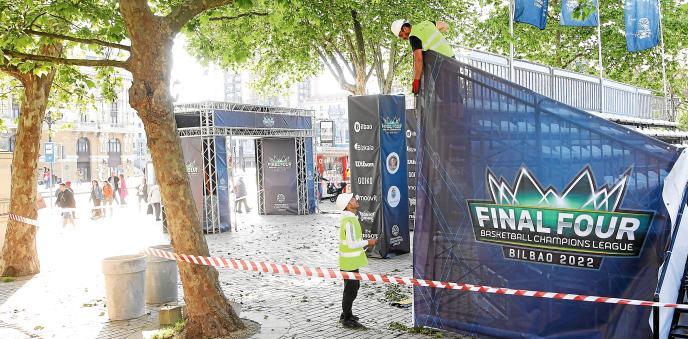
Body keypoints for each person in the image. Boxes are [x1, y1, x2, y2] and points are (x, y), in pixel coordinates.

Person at [335, 193, 377, 329]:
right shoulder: (349, 222)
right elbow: (352, 244)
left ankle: (347, 313)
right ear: (348, 206)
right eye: (352, 200)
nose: (356, 200)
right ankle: (346, 318)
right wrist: (368, 242)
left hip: (350, 262)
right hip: (349, 263)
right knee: (351, 290)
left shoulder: (351, 218)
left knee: (353, 288)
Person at [390, 19, 455, 94]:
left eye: (401, 35)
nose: (402, 38)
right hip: (452, 59)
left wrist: (416, 80)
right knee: (454, 92)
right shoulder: (426, 23)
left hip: (441, 64)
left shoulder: (413, 36)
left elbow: (418, 59)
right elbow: (445, 25)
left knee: (444, 94)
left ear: (404, 29)